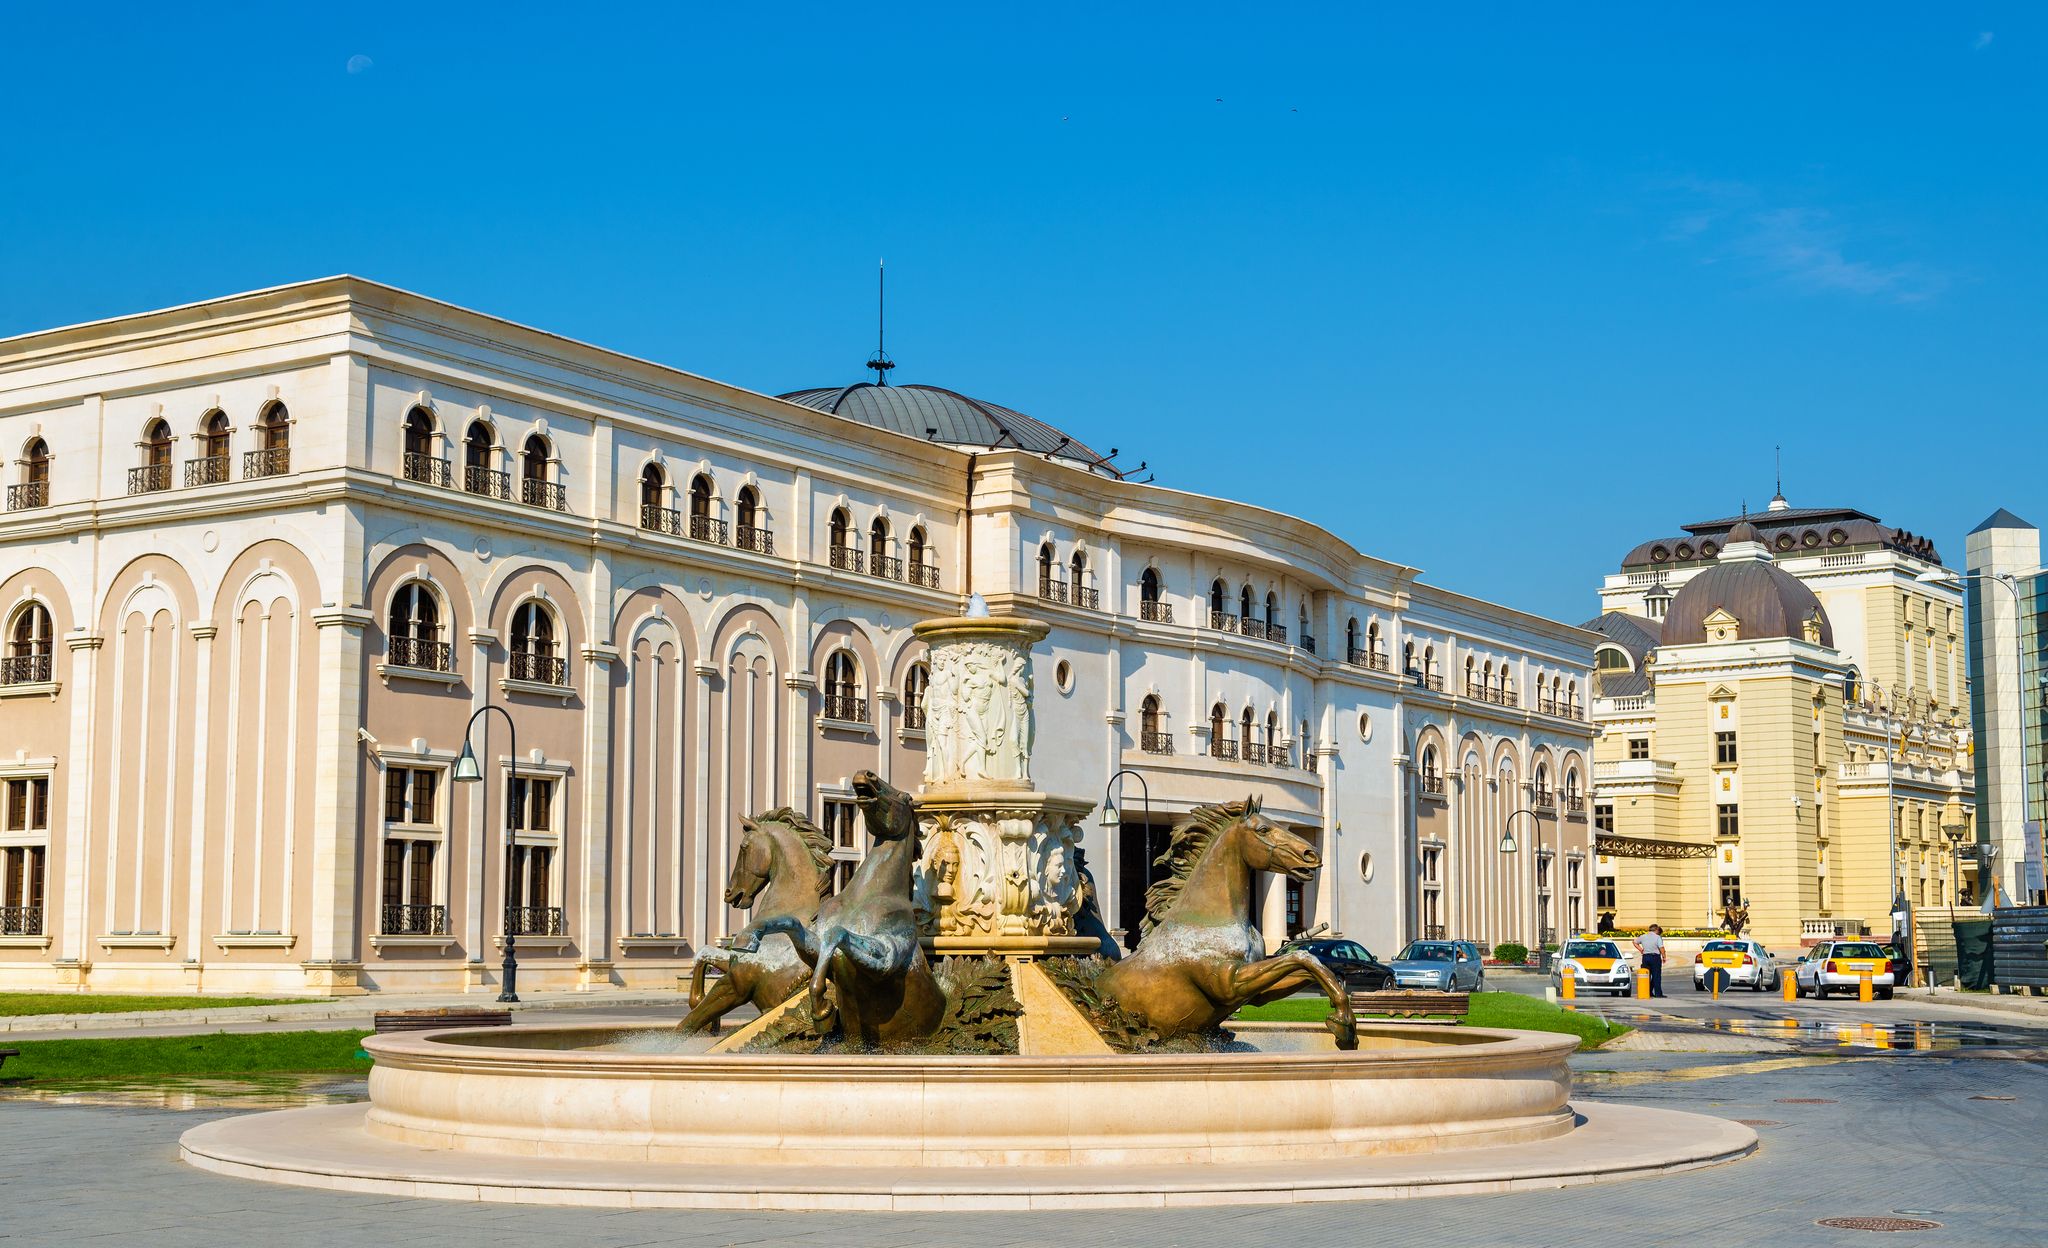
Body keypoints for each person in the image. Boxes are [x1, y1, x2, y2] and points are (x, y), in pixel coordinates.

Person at [1634, 924, 1666, 997]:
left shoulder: (1643, 936)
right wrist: (1664, 957)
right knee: (1656, 976)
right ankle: (1658, 993)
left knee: (1646, 976)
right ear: (1656, 930)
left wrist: (1641, 950)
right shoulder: (1657, 937)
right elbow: (1661, 948)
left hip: (1645, 957)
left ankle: (1647, 992)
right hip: (1655, 957)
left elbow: (1635, 942)